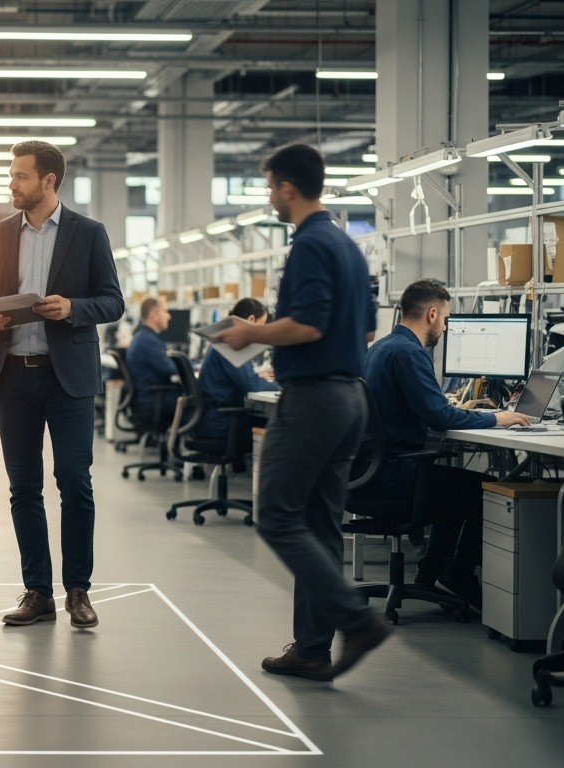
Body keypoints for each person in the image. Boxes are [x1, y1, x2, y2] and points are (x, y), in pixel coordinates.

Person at [213, 143, 385, 682]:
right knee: (320, 525)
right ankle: (312, 649)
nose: (270, 197)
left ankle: (356, 621)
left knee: (277, 516)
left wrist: (251, 333)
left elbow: (308, 324)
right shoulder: (349, 246)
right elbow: (365, 330)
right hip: (349, 397)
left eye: (270, 187)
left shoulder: (309, 244)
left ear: (287, 187)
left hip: (313, 399)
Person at [0, 140, 124, 630]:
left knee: (75, 481)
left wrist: (73, 308)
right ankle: (37, 592)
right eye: (11, 175)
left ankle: (78, 590)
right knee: (23, 487)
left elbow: (112, 301)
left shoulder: (88, 233)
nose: (12, 184)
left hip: (67, 377)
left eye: (20, 176)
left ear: (48, 181)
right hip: (13, 374)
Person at [362, 279, 530, 606]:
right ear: (432, 314)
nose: (445, 327)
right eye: (446, 319)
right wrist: (497, 418)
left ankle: (429, 573)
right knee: (481, 489)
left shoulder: (379, 349)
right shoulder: (411, 353)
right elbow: (440, 418)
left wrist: (461, 410)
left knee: (452, 485)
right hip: (396, 475)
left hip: (372, 471)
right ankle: (458, 573)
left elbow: (426, 409)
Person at [195, 297, 278, 440]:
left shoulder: (225, 340)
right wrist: (281, 385)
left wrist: (257, 377)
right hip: (221, 424)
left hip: (212, 420)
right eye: (263, 324)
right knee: (277, 427)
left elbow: (246, 379)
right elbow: (252, 386)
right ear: (251, 320)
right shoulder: (231, 345)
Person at [125, 296, 182, 428]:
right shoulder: (148, 341)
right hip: (153, 401)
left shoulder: (142, 336)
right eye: (165, 311)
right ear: (154, 315)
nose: (169, 316)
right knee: (198, 399)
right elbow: (172, 369)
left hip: (146, 398)